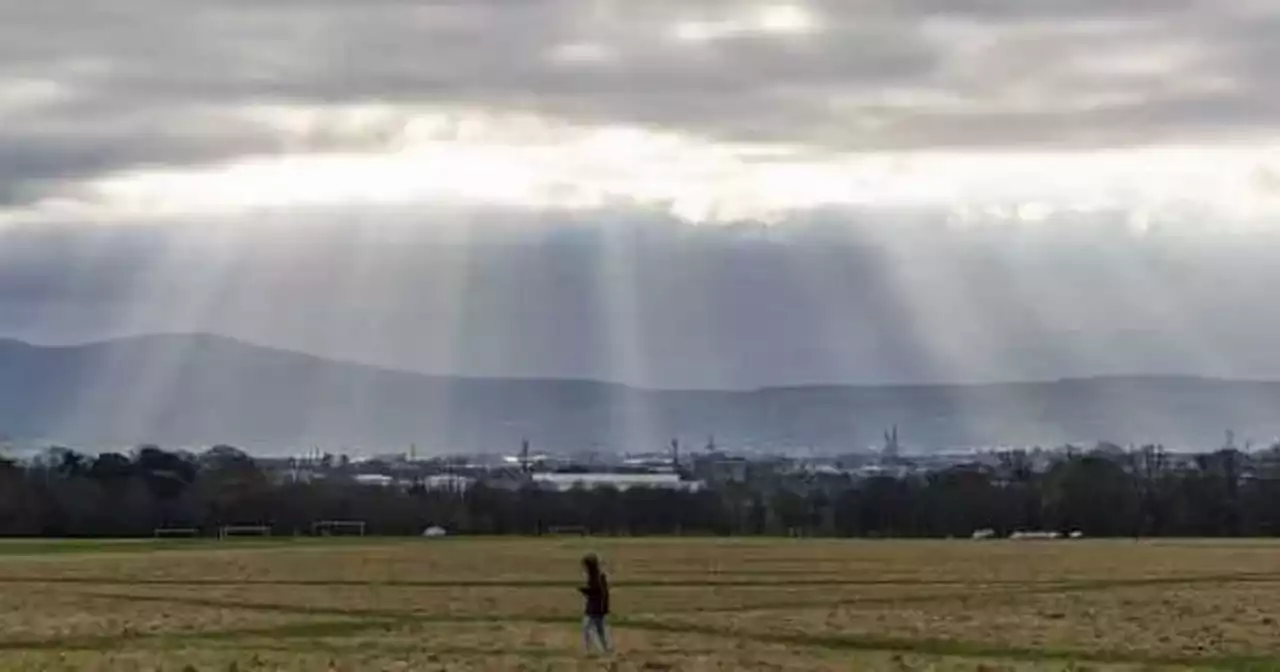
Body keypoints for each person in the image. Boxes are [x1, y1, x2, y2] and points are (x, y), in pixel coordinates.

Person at [578, 552, 611, 654]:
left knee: (587, 628)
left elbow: (598, 591)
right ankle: (604, 649)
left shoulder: (598, 576)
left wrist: (585, 590)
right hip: (596, 606)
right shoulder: (596, 575)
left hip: (596, 607)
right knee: (598, 629)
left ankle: (589, 650)